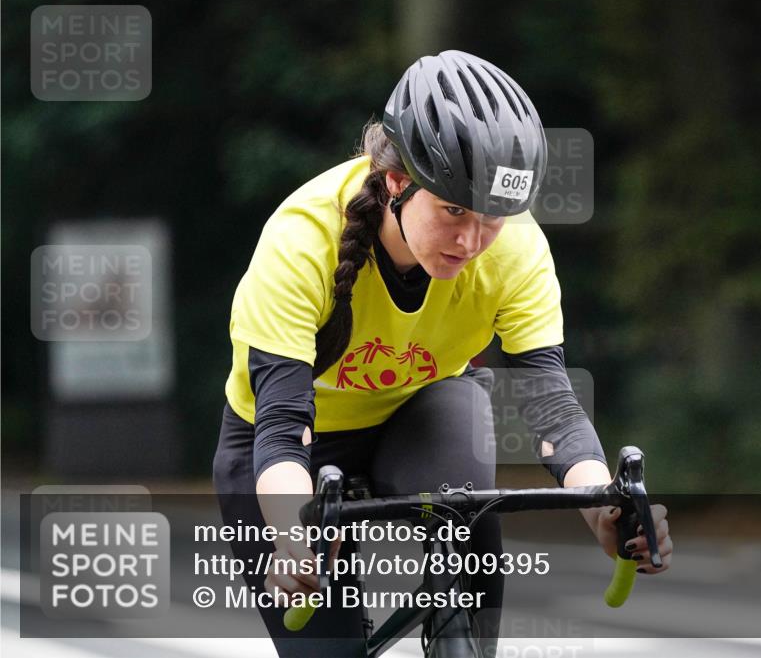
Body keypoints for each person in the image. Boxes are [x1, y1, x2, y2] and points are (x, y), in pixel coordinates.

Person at [212, 50, 672, 658]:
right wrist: (295, 545)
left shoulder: (515, 250)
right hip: (288, 446)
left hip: (417, 418)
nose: (472, 241)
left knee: (466, 500)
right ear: (397, 182)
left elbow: (553, 410)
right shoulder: (302, 241)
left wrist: (602, 508)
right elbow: (278, 433)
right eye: (454, 210)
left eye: (493, 219)